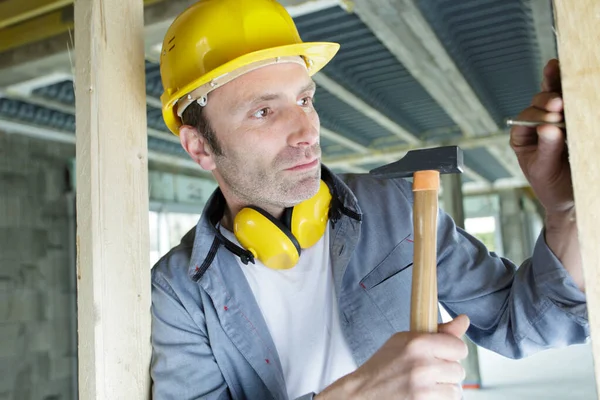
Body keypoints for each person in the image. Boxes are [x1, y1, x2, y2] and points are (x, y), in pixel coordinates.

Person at [149, 0, 588, 399]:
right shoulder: (180, 289)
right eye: (264, 111)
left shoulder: (396, 206)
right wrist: (362, 392)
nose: (307, 132)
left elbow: (524, 325)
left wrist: (565, 210)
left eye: (305, 99)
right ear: (200, 147)